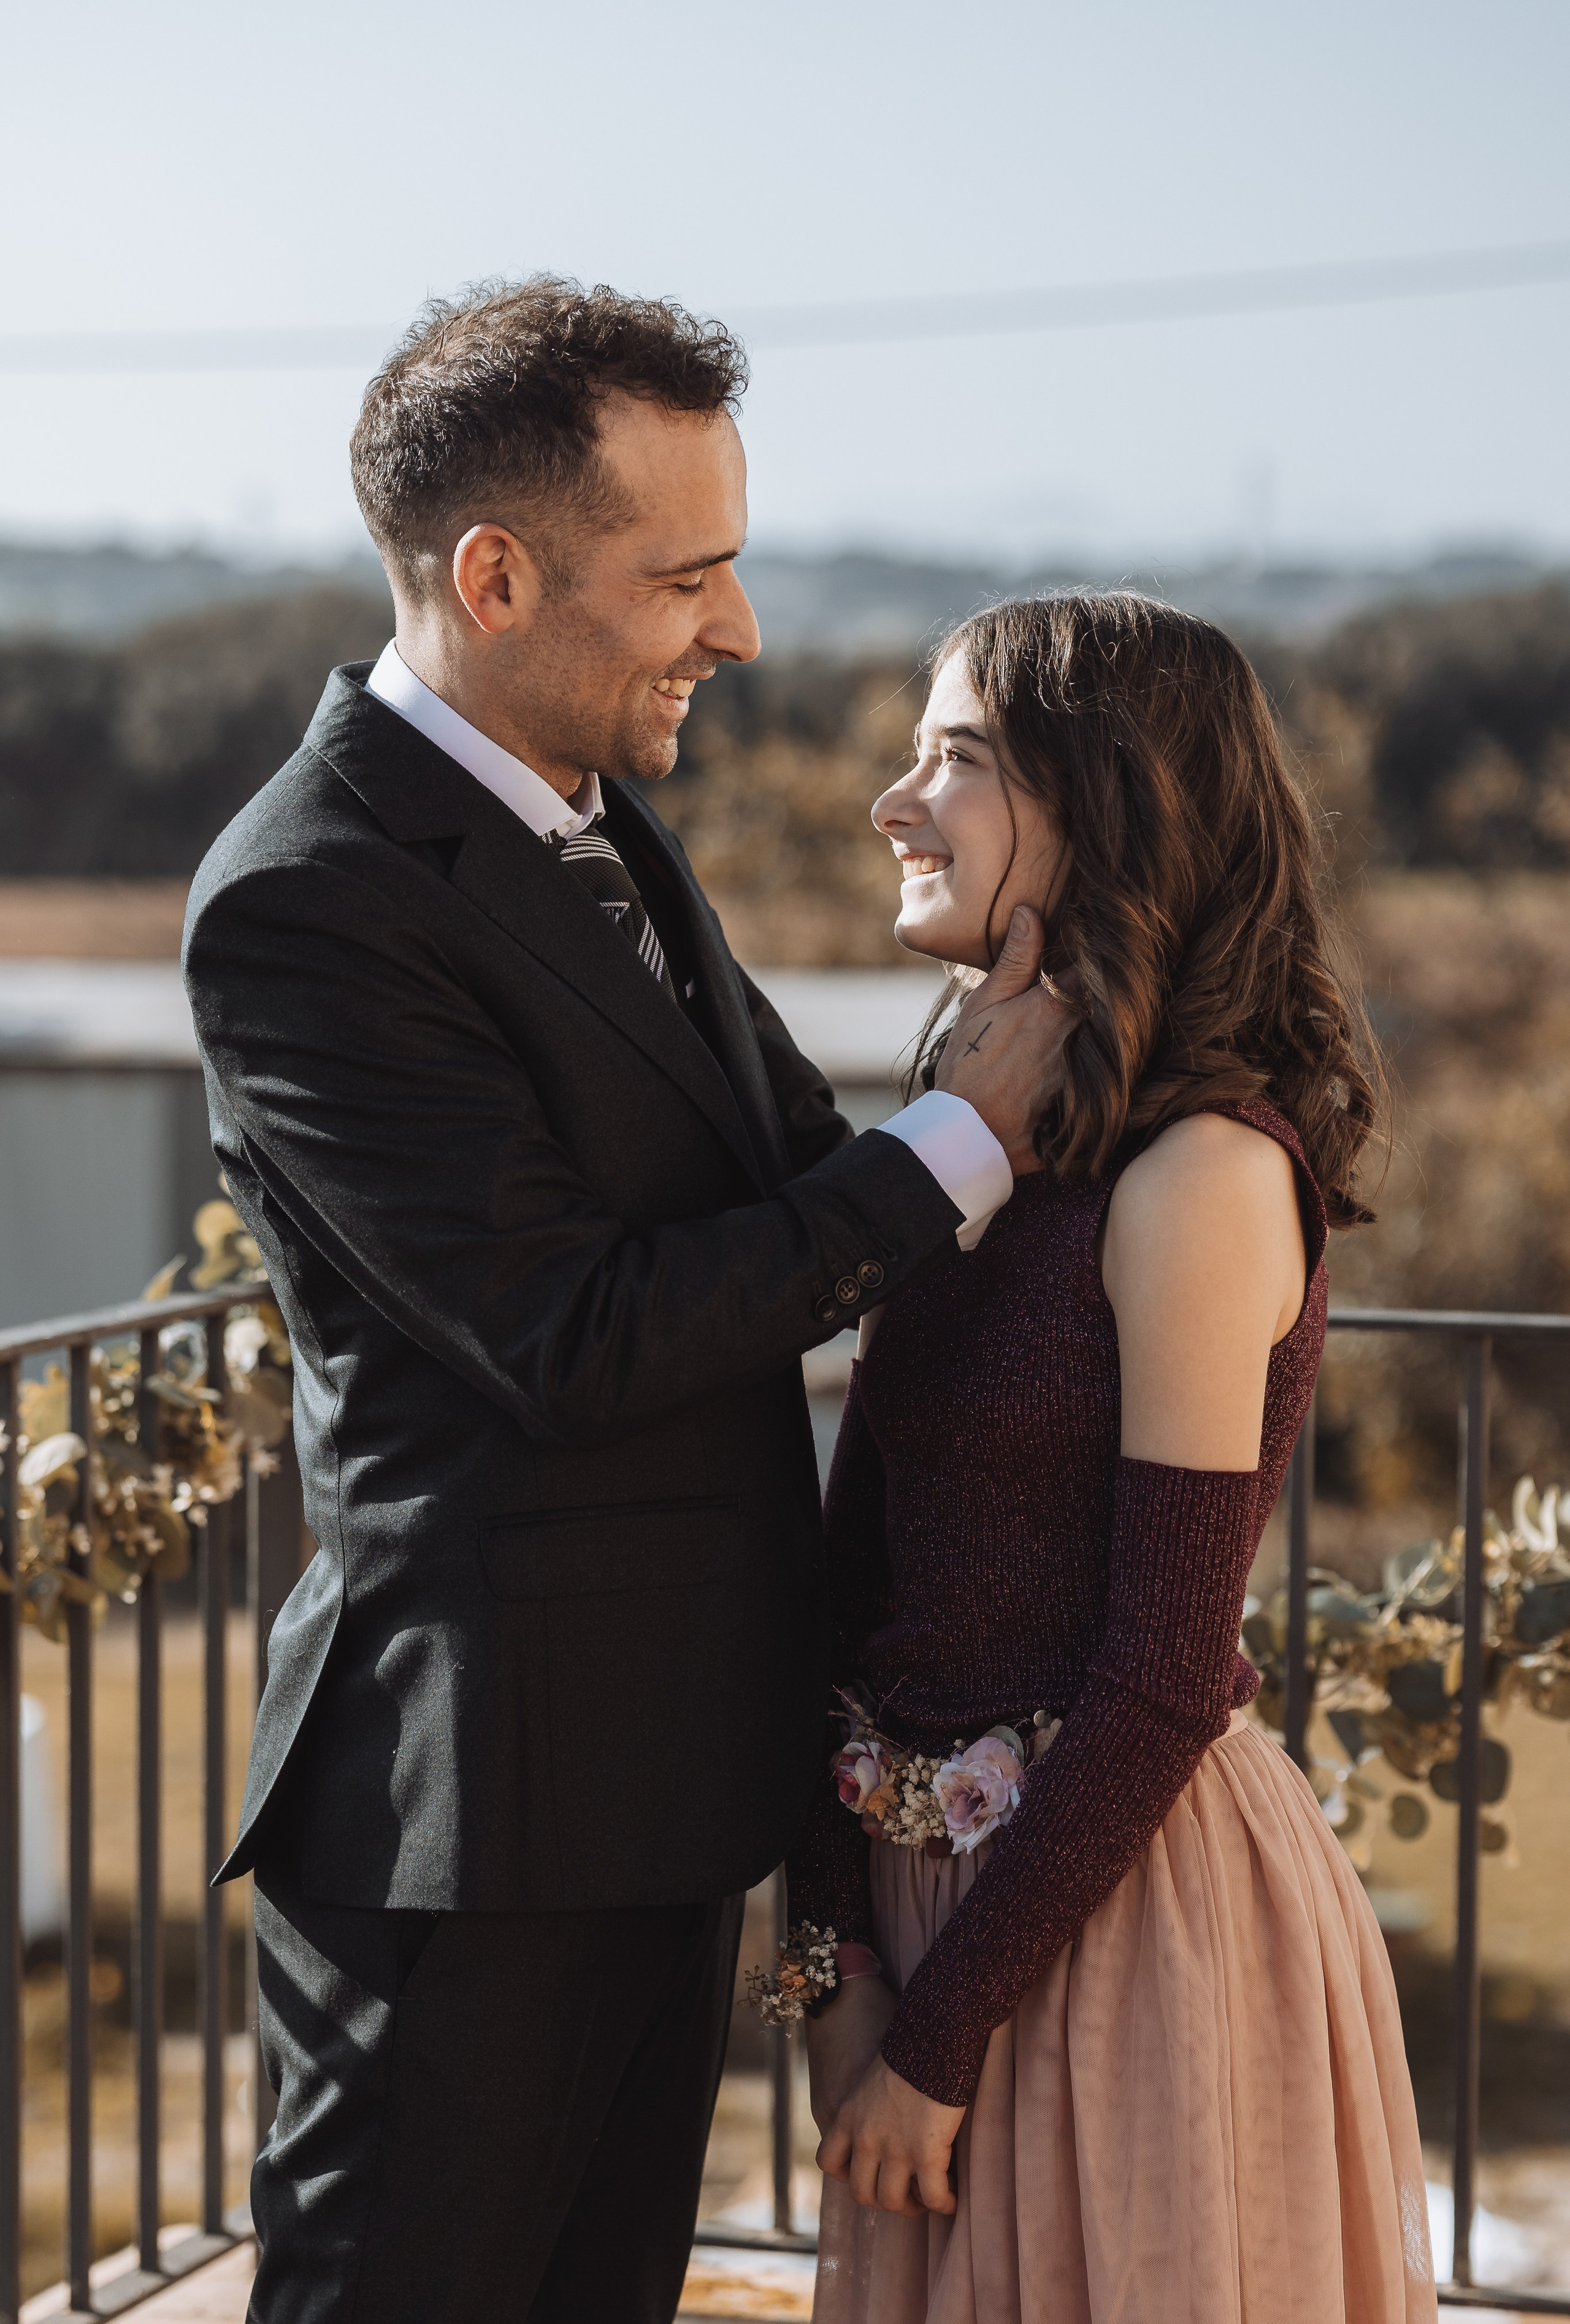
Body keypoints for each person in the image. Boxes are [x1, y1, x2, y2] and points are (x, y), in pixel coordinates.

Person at [181, 277, 1074, 2324]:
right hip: (470, 1814)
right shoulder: (305, 896)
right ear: (497, 576)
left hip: (661, 1775)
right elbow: (570, 1330)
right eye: (689, 577)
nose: (738, 631)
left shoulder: (603, 831)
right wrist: (966, 1145)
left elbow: (782, 1170)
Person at [787, 592, 1438, 2323]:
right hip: (923, 1940)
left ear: (1110, 810)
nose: (895, 802)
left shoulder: (1202, 1179)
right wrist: (826, 1967)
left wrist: (931, 2042)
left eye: (962, 760)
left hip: (1116, 1943)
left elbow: (1158, 1675)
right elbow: (839, 1596)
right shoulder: (974, 1149)